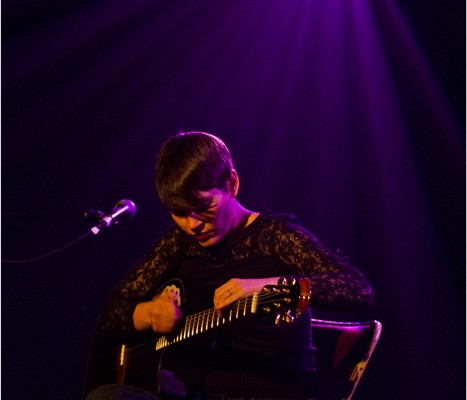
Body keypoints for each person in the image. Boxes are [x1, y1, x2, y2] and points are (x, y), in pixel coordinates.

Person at [84, 131, 374, 400]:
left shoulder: (274, 236)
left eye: (204, 207)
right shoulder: (178, 244)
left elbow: (357, 288)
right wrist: (147, 313)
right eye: (179, 213)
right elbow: (111, 312)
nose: (193, 224)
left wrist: (266, 286)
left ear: (231, 184)